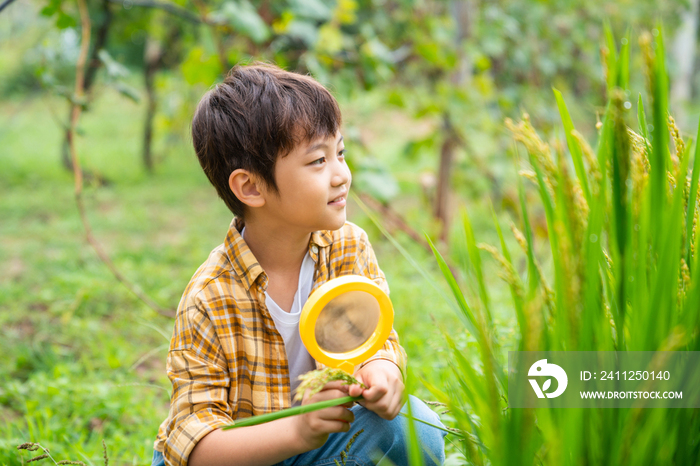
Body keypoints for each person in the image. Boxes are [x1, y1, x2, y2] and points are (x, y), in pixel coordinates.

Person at [151, 62, 446, 466]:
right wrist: (297, 431)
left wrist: (381, 369)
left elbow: (376, 338)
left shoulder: (347, 248)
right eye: (317, 162)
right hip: (238, 458)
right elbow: (196, 446)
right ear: (251, 187)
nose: (341, 175)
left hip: (312, 448)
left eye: (339, 153)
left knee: (417, 429)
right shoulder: (211, 297)